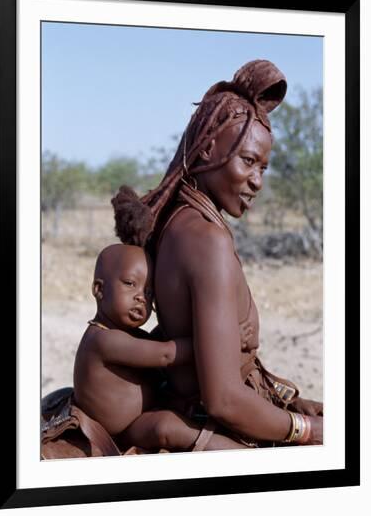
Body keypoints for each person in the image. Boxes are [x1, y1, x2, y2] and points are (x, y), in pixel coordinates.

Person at [112, 59, 323, 447]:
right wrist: (307, 431)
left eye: (264, 167)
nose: (257, 181)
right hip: (208, 418)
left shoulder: (179, 220)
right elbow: (223, 399)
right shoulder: (206, 239)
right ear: (208, 148)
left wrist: (290, 404)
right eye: (248, 161)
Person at [72, 243, 246, 452]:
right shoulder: (103, 340)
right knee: (165, 427)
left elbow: (156, 344)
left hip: (141, 415)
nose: (141, 297)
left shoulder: (126, 334)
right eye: (129, 284)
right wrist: (220, 340)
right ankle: (243, 456)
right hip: (122, 430)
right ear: (99, 289)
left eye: (148, 292)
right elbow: (165, 354)